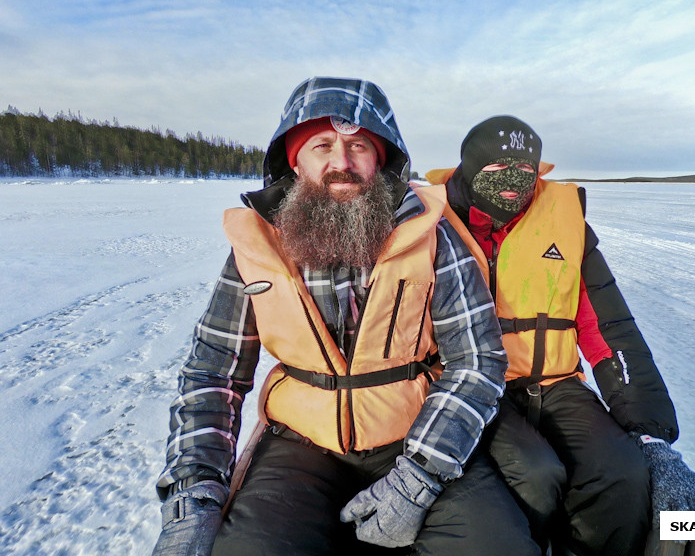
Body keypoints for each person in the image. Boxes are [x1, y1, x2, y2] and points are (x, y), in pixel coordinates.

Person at [152, 80, 539, 556]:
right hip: (300, 444)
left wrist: (419, 476)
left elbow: (478, 360)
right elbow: (213, 374)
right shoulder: (257, 248)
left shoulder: (431, 237)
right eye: (322, 146)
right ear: (295, 161)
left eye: (359, 146)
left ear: (380, 161)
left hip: (414, 434)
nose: (342, 162)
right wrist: (195, 492)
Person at [426, 115, 695, 556]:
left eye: (526, 171)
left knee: (621, 471)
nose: (513, 182)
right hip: (473, 384)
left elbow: (605, 325)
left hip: (558, 384)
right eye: (497, 168)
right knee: (536, 474)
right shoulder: (429, 221)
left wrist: (647, 431)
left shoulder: (564, 222)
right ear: (469, 166)